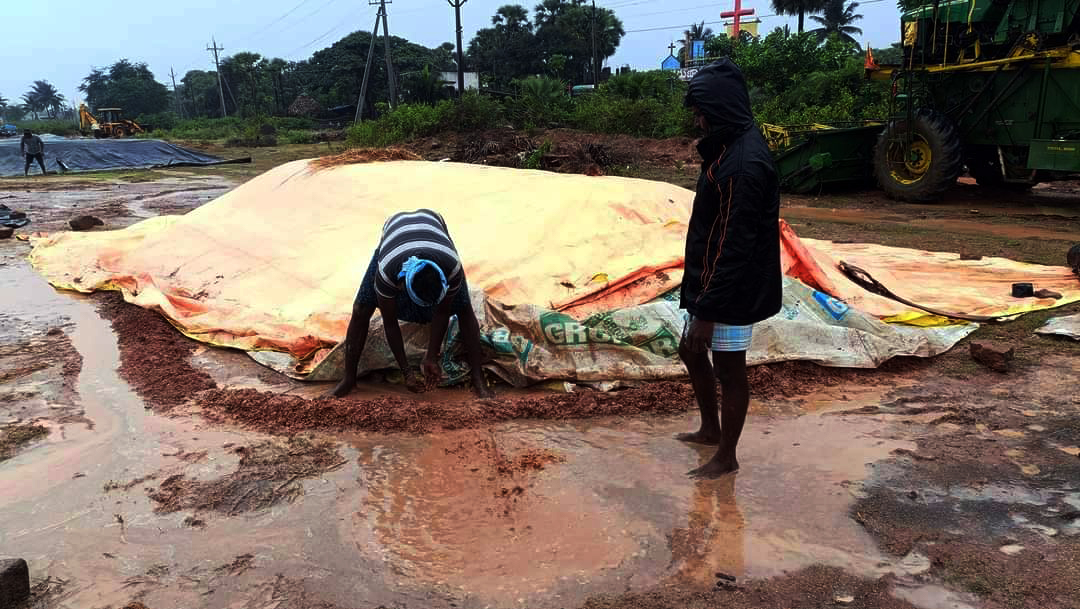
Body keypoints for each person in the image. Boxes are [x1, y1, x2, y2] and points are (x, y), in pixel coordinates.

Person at [676, 59, 782, 479]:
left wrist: (707, 312)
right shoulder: (728, 149)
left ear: (719, 108)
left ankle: (727, 455)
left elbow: (734, 246)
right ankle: (708, 428)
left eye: (701, 111)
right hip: (712, 280)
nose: (698, 120)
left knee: (729, 368)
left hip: (733, 288)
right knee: (690, 350)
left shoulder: (743, 166)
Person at [329, 208, 494, 398]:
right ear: (401, 286)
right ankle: (348, 379)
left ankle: (477, 377)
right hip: (394, 232)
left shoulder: (451, 268)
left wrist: (432, 356)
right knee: (360, 308)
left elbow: (442, 312)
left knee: (464, 308)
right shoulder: (386, 272)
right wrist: (406, 370)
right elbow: (390, 323)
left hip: (434, 224)